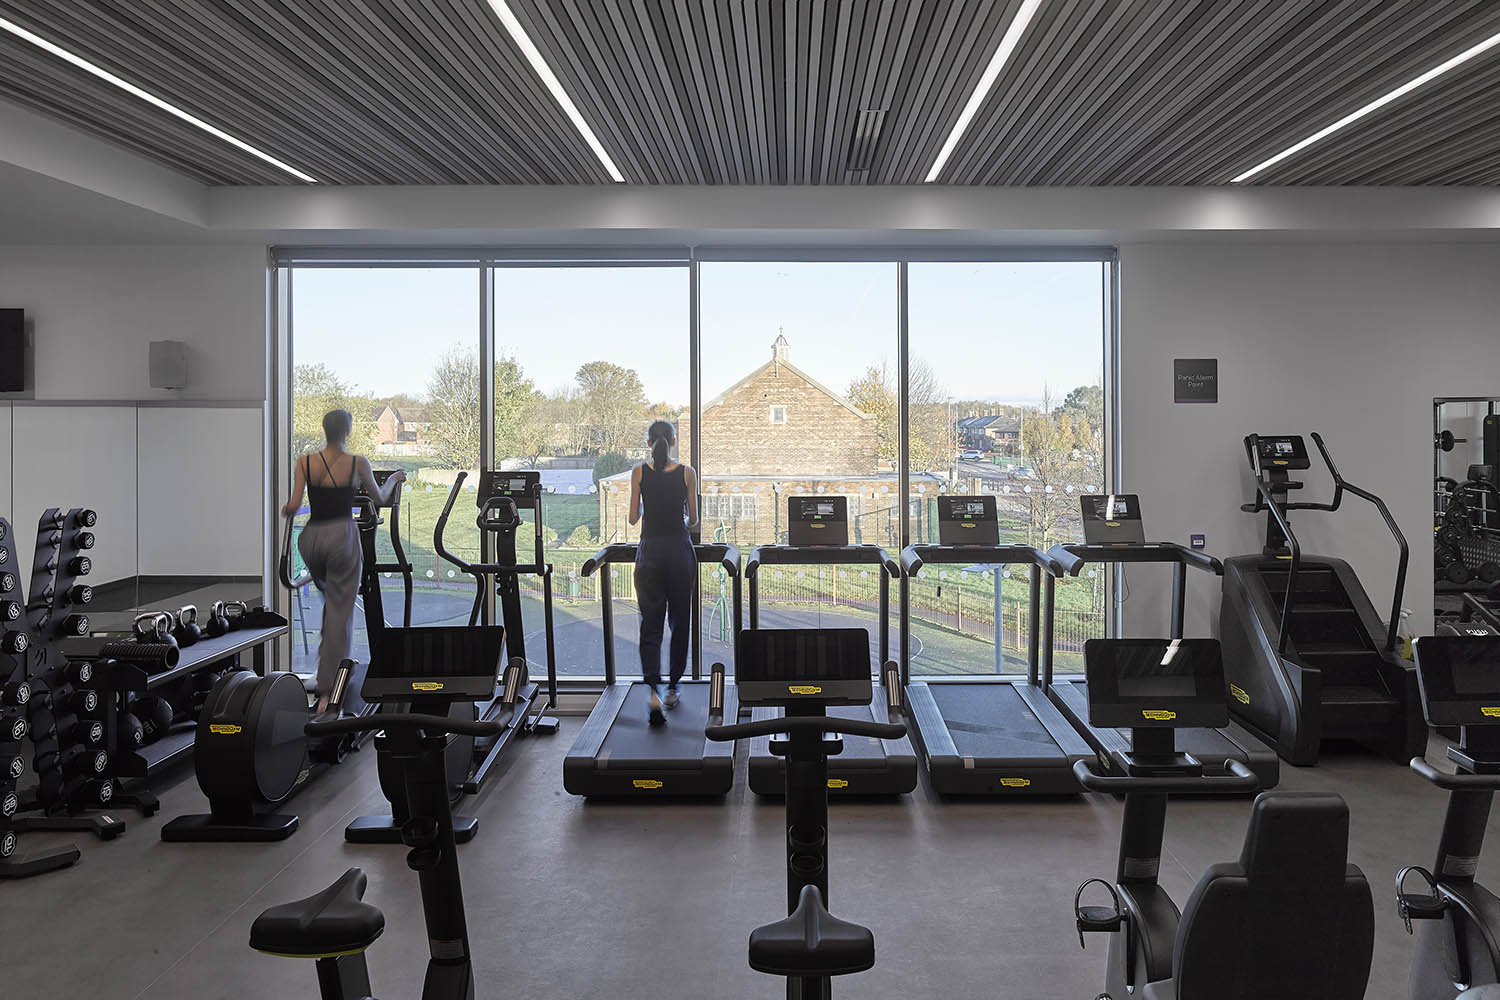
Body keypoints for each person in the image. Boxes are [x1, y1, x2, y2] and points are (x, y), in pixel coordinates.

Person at [280, 409, 405, 708]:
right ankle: (331, 685)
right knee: (340, 612)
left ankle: (326, 669)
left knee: (332, 607)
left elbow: (293, 505)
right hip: (341, 537)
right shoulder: (357, 463)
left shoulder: (305, 462)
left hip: (311, 540)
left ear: (325, 430)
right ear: (347, 431)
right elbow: (380, 498)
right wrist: (394, 479)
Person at [628, 420, 698, 726]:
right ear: (673, 441)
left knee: (650, 627)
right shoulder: (687, 472)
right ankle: (673, 688)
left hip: (650, 555)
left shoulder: (639, 472)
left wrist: (650, 507)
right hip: (679, 554)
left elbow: (633, 518)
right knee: (680, 623)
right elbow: (693, 520)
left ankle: (653, 693)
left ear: (649, 443)